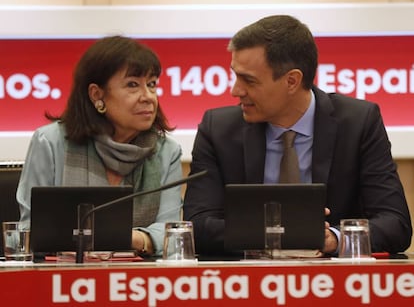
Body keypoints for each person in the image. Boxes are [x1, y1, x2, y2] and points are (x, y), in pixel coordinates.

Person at [183, 15, 412, 256]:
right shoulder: (217, 129)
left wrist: (333, 238)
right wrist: (277, 234)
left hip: (334, 283)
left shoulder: (358, 123)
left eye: (248, 80)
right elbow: (196, 226)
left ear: (292, 81)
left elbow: (396, 224)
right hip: (244, 283)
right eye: (235, 76)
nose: (235, 90)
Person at [16, 35, 183, 256]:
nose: (148, 97)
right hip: (62, 280)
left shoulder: (166, 151)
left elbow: (170, 235)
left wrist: (116, 236)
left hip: (139, 283)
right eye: (133, 85)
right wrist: (133, 238)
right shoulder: (50, 142)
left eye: (152, 84)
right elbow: (29, 232)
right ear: (97, 94)